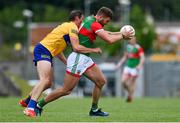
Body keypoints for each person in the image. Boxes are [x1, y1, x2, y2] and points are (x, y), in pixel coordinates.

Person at [35, 6, 134, 117]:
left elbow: (106, 33)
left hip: (85, 58)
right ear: (100, 16)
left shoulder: (91, 20)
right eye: (107, 20)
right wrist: (122, 36)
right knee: (66, 90)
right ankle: (39, 105)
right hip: (78, 57)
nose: (106, 23)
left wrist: (119, 34)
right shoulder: (94, 24)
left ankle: (94, 110)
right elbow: (109, 40)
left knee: (101, 81)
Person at [19, 10, 102, 117]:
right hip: (43, 50)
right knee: (44, 80)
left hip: (47, 52)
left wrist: (66, 63)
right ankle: (30, 108)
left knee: (48, 83)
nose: (82, 22)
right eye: (81, 19)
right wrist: (94, 50)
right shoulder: (72, 27)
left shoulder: (66, 27)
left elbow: (58, 50)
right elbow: (76, 47)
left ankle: (27, 100)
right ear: (77, 18)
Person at [116, 36, 145, 102]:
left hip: (134, 68)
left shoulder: (138, 48)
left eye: (133, 39)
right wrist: (119, 63)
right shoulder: (128, 47)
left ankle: (130, 96)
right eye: (130, 39)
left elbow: (142, 57)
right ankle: (130, 93)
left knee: (132, 82)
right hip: (128, 66)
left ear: (135, 40)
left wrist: (139, 65)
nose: (131, 40)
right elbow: (125, 57)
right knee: (123, 81)